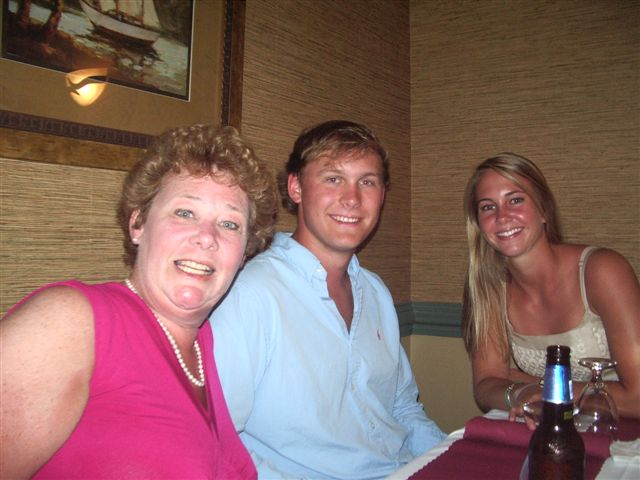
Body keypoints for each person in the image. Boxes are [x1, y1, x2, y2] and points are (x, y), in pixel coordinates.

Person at [0, 124, 278, 479]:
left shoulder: (207, 346)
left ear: (243, 254)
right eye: (185, 213)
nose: (206, 238)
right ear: (138, 224)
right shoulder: (69, 321)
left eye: (229, 224)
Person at [210, 120, 445, 479]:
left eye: (367, 181)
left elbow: (402, 408)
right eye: (333, 178)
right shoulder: (251, 293)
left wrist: (449, 455)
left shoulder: (376, 292)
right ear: (296, 187)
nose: (352, 198)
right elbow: (221, 439)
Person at [461, 152, 640, 425]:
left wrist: (543, 390)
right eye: (488, 207)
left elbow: (637, 396)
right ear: (478, 224)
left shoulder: (602, 271)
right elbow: (485, 385)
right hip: (552, 428)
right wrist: (520, 392)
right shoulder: (489, 289)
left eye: (516, 200)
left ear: (544, 209)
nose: (502, 216)